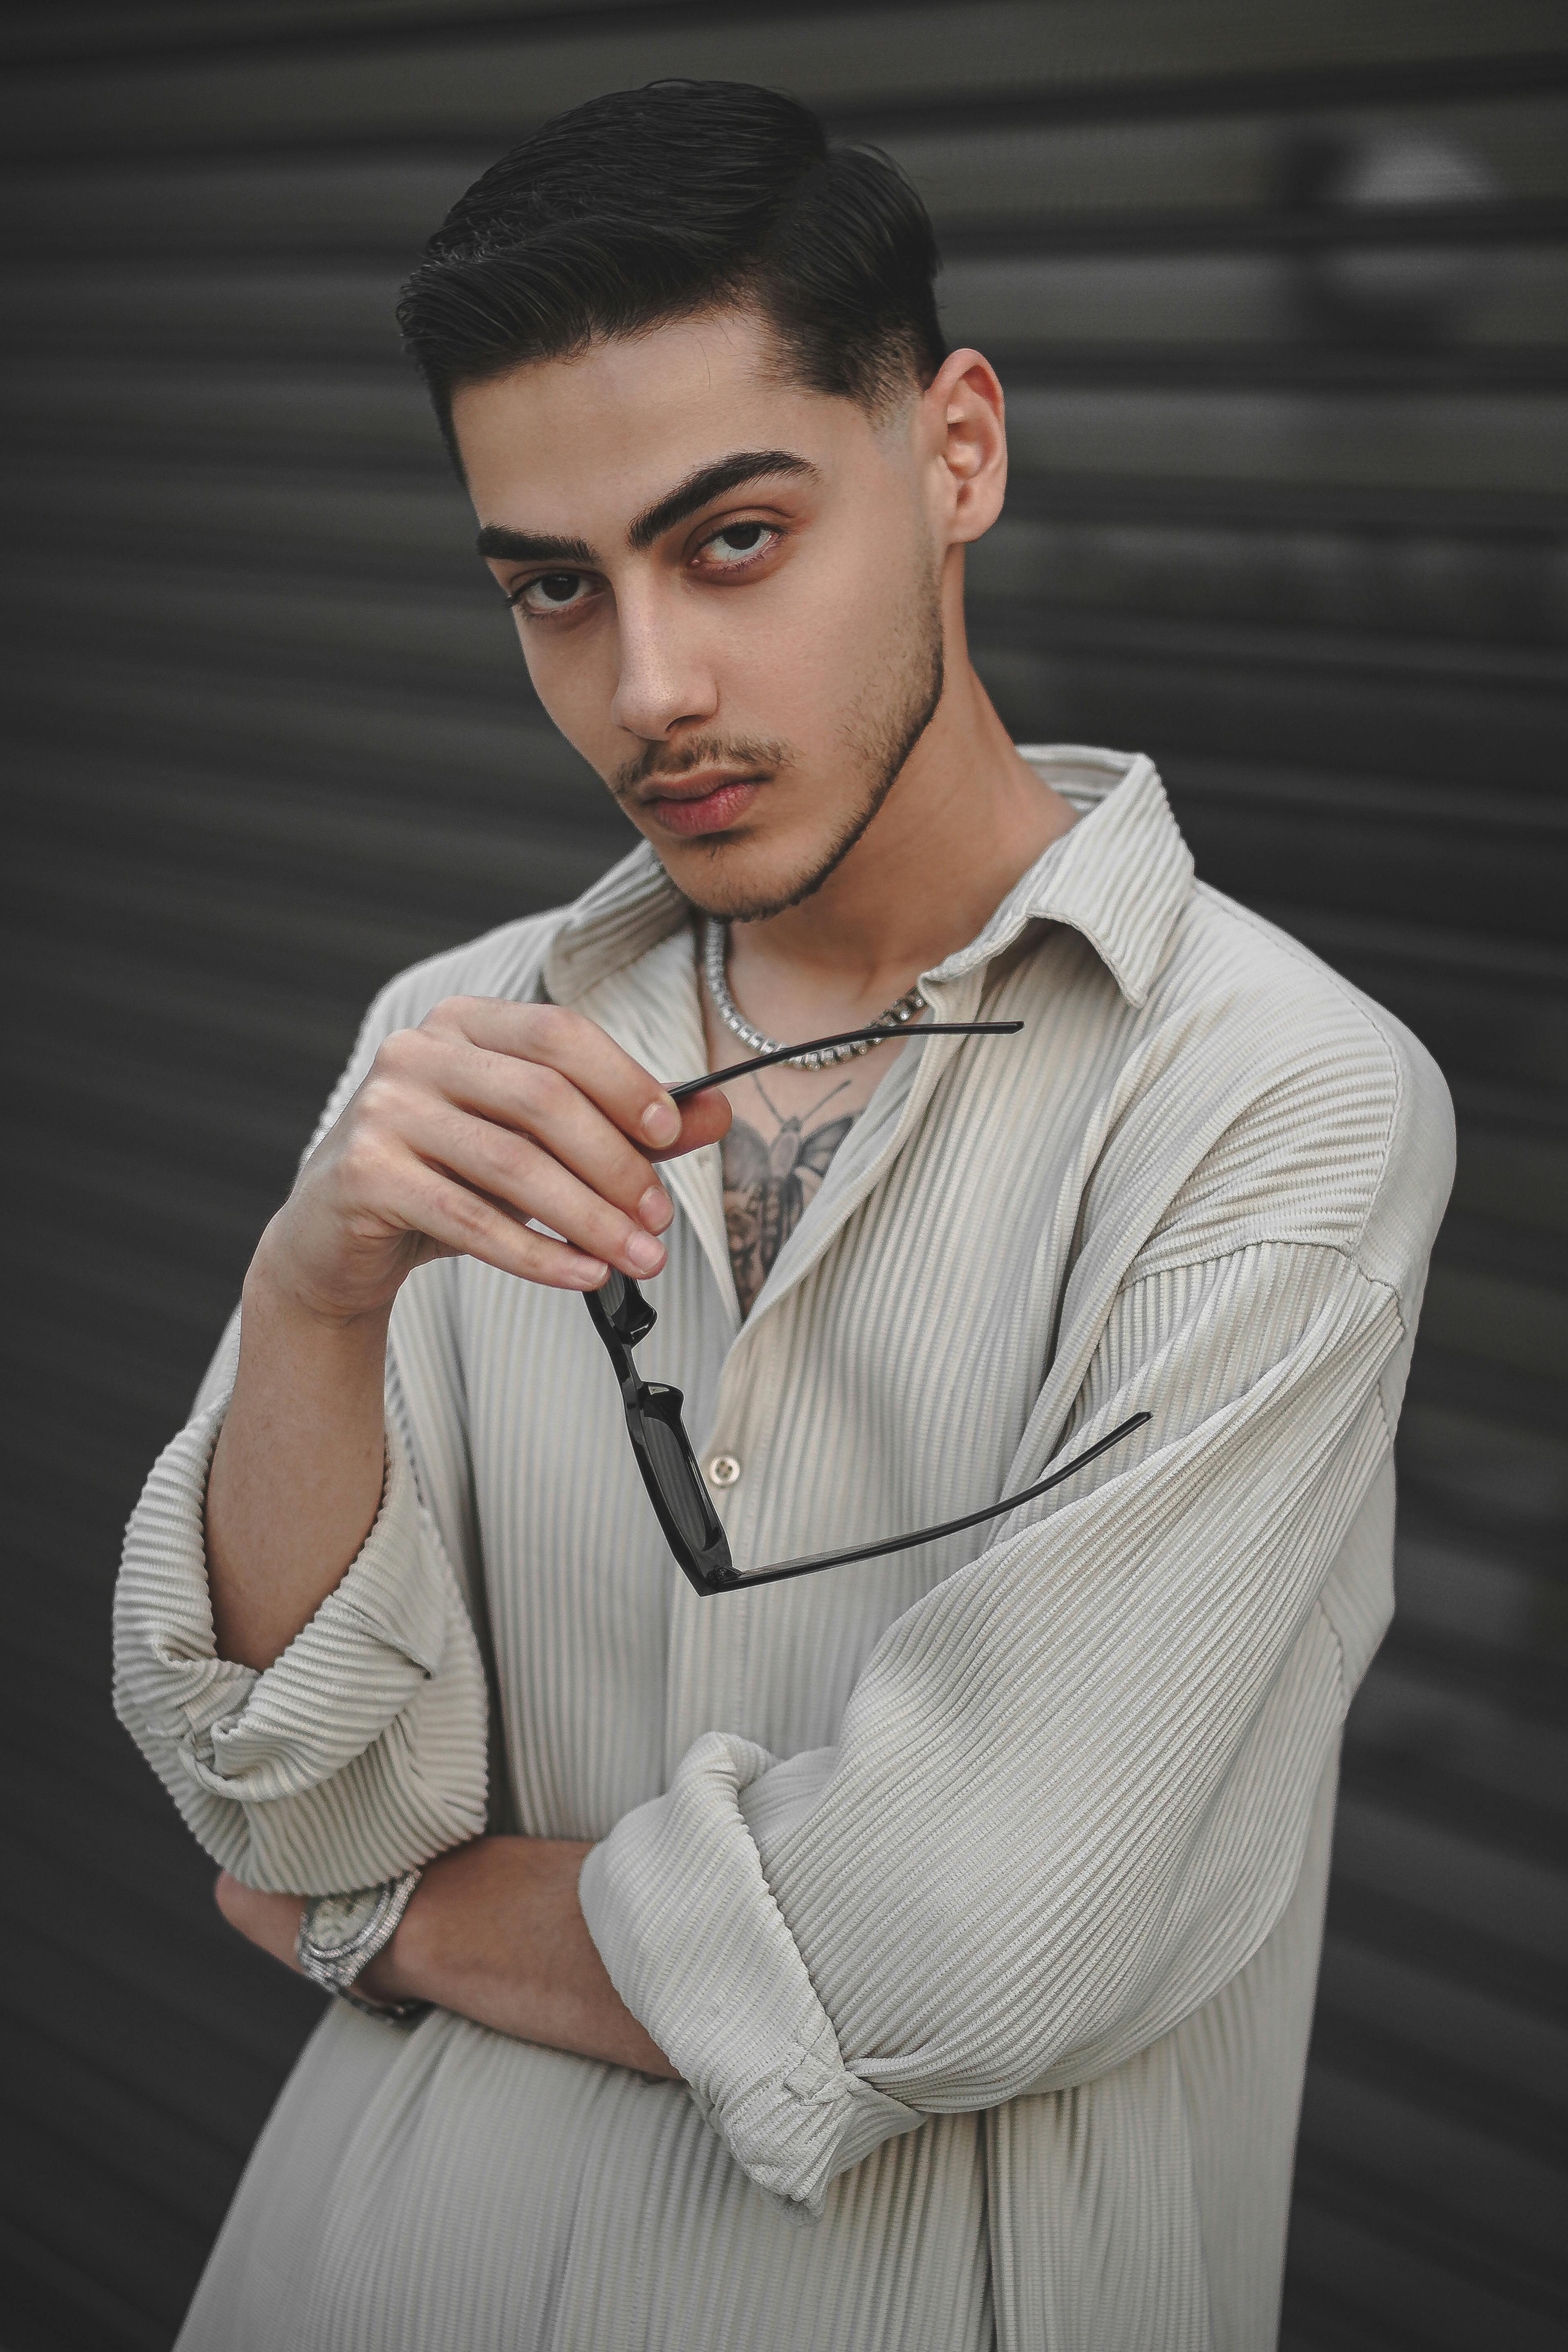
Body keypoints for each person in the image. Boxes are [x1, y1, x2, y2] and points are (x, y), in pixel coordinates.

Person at [114, 79, 1454, 2352]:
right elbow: (285, 1787)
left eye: (728, 538)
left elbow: (947, 1944)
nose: (646, 689)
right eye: (554, 584)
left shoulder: (1272, 1100)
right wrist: (313, 1295)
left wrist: (393, 1929)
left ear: (954, 453)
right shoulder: (451, 1037)